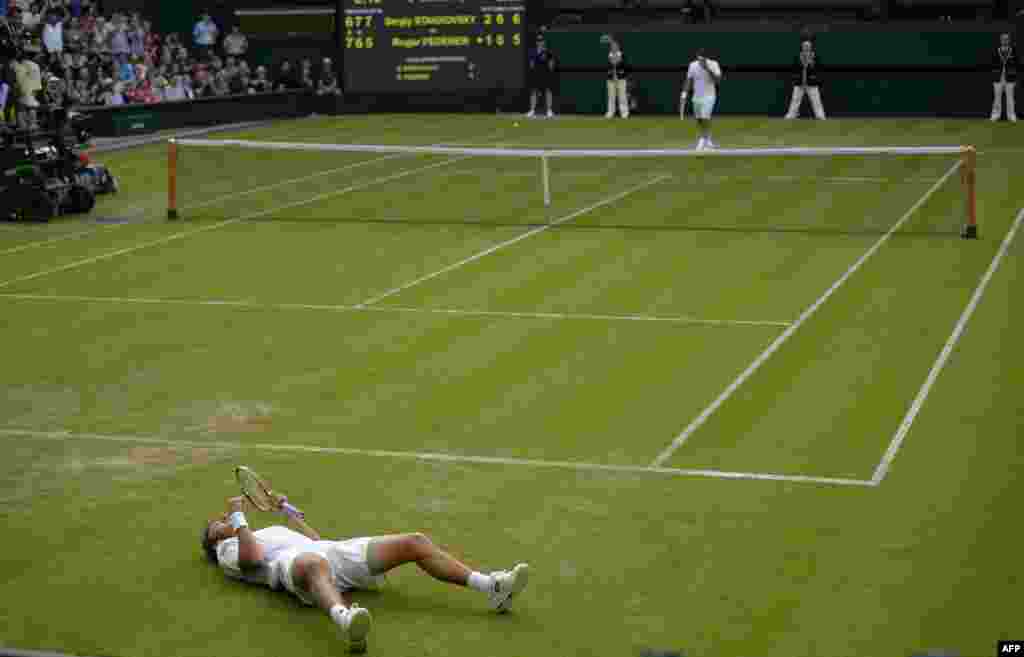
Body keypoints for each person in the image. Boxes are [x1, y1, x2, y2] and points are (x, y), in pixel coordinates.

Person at [201, 495, 529, 654]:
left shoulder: (257, 530)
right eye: (219, 524)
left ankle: (490, 585)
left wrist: (288, 513)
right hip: (293, 568)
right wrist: (239, 519)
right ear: (215, 538)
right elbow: (254, 559)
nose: (223, 520)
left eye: (224, 519)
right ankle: (345, 619)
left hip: (331, 551)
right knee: (313, 565)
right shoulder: (227, 551)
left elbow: (315, 541)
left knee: (414, 543)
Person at [680, 48, 722, 150]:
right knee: (699, 119)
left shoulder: (714, 64)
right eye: (698, 58)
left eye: (702, 59)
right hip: (696, 97)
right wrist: (684, 95)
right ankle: (708, 141)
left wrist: (707, 69)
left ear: (706, 58)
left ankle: (703, 140)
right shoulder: (692, 65)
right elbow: (688, 80)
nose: (700, 61)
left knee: (705, 117)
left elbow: (718, 81)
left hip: (709, 96)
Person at [784, 40, 825, 120]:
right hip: (799, 83)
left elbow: (818, 69)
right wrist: (797, 78)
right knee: (795, 100)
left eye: (808, 46)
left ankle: (820, 116)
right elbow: (794, 68)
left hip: (811, 83)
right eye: (804, 46)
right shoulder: (798, 56)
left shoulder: (815, 56)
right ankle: (791, 115)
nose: (806, 47)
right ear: (802, 47)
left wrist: (811, 64)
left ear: (811, 47)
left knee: (816, 101)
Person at [526, 33, 556, 118]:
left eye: (541, 40)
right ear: (536, 42)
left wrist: (548, 67)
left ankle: (549, 111)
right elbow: (531, 64)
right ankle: (532, 111)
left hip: (546, 75)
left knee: (548, 91)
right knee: (533, 92)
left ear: (544, 42)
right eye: (538, 40)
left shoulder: (548, 52)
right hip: (536, 75)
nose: (540, 42)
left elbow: (551, 64)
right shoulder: (532, 52)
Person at [991, 32, 1018, 122]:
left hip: (1010, 78)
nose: (1005, 40)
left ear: (1009, 40)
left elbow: (1016, 64)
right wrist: (994, 73)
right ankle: (995, 115)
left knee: (1010, 98)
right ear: (1000, 40)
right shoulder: (996, 50)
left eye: (1006, 39)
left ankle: (1011, 116)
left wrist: (1014, 76)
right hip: (997, 77)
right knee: (997, 98)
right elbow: (992, 63)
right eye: (1003, 39)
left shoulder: (1013, 50)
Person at [604, 33, 628, 118]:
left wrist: (620, 73)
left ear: (618, 47)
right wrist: (611, 74)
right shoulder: (608, 56)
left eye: (615, 46)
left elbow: (626, 67)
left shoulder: (622, 55)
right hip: (610, 80)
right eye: (612, 46)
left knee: (622, 96)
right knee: (611, 97)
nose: (613, 47)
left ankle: (624, 113)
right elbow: (607, 68)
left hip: (621, 79)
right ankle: (610, 113)